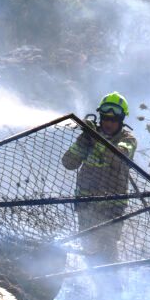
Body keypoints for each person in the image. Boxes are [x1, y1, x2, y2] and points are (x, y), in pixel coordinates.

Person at [61, 92, 137, 265]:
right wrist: (84, 139)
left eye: (113, 119)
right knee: (89, 252)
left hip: (111, 208)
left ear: (121, 120)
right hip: (86, 204)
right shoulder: (89, 137)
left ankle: (113, 288)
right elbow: (68, 163)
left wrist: (94, 138)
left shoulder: (128, 140)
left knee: (108, 253)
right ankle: (97, 287)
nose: (108, 123)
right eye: (105, 118)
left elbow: (116, 156)